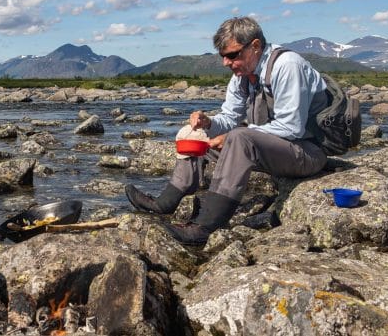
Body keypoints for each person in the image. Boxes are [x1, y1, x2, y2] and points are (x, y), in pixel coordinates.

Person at [125, 16, 329, 245]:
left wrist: (232, 137)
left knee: (239, 139)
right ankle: (165, 203)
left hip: (308, 151)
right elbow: (230, 118)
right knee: (195, 136)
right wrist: (208, 124)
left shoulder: (287, 66)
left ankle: (205, 227)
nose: (225, 62)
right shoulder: (241, 77)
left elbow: (291, 126)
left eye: (232, 55)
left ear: (255, 46)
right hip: (276, 149)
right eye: (222, 56)